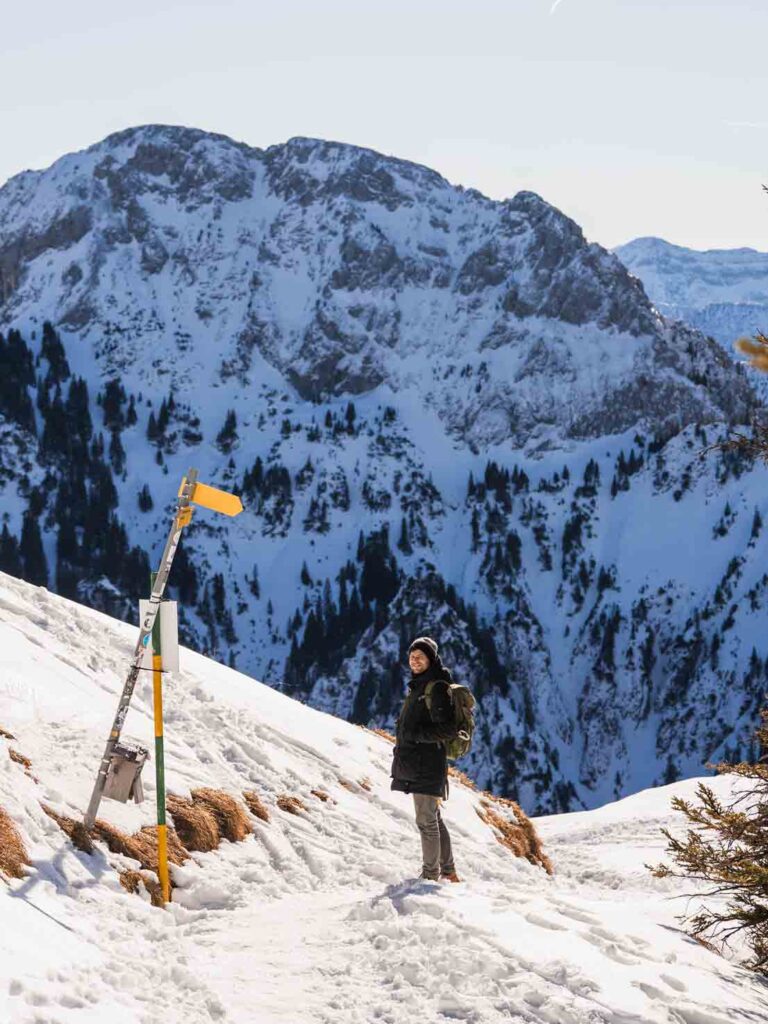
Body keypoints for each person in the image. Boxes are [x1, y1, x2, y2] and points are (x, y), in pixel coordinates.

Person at [390, 636, 461, 882]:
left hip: (427, 763)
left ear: (431, 659)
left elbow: (448, 729)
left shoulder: (436, 687)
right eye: (412, 656)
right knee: (433, 818)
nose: (415, 660)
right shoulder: (420, 686)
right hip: (419, 761)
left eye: (420, 656)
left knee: (426, 820)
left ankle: (431, 875)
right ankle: (448, 871)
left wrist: (415, 734)